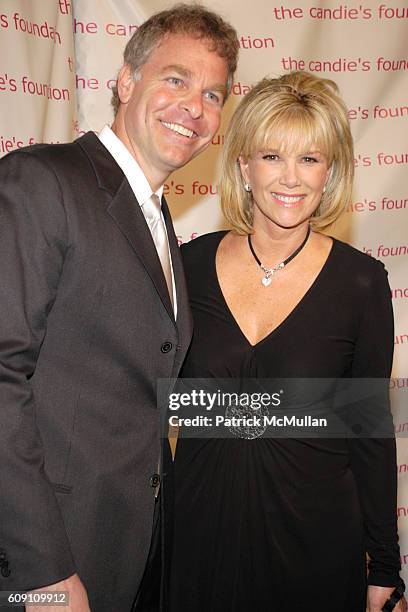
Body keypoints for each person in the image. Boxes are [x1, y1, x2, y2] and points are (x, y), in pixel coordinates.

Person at [0, 4, 238, 611]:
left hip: (132, 554)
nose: (195, 107)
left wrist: (308, 416)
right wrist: (43, 574)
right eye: (176, 80)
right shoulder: (42, 181)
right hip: (50, 563)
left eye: (214, 94)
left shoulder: (158, 220)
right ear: (126, 80)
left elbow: (140, 389)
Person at [170, 72, 406, 612]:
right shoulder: (188, 268)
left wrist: (385, 568)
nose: (291, 178)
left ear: (332, 172)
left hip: (315, 546)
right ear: (242, 166)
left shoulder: (362, 283)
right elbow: (151, 405)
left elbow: (369, 433)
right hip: (198, 537)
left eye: (310, 159)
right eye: (273, 156)